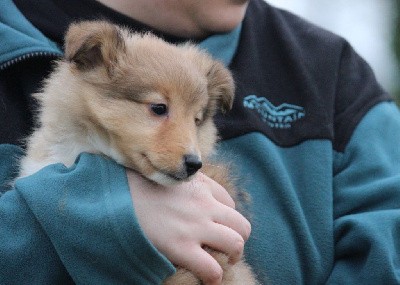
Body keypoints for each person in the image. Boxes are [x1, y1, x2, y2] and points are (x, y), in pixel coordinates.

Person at [1, 0, 400, 284]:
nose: (190, 145)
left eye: (197, 118)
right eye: (158, 109)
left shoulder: (333, 73)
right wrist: (104, 216)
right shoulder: (58, 52)